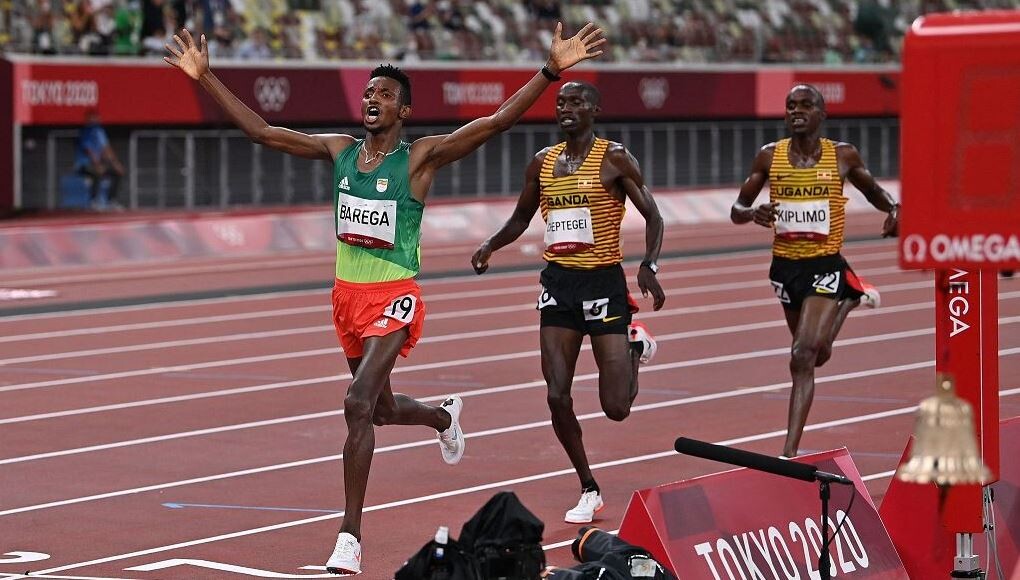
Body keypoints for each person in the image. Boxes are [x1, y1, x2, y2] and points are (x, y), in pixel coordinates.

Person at [165, 24, 605, 575]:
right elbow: (262, 132)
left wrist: (549, 71)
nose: (373, 98)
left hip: (394, 295)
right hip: (346, 298)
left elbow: (495, 122)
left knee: (356, 403)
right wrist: (205, 77)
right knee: (380, 408)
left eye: (386, 94)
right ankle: (442, 417)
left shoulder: (420, 158)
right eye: (369, 91)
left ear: (405, 110)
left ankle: (349, 537)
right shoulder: (340, 152)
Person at [471, 81, 665, 525]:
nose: (566, 108)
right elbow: (522, 217)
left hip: (603, 283)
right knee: (557, 395)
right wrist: (490, 244)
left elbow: (653, 215)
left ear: (595, 110)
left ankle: (634, 347)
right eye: (561, 102)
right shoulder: (542, 162)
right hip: (558, 285)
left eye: (577, 102)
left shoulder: (615, 158)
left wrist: (648, 265)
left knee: (616, 408)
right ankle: (588, 487)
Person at [730, 84, 899, 459]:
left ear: (823, 114)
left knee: (801, 356)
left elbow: (873, 191)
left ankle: (789, 452)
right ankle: (850, 300)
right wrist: (752, 213)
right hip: (785, 268)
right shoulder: (769, 156)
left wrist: (894, 208)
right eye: (791, 105)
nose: (796, 111)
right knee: (816, 356)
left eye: (806, 105)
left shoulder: (842, 155)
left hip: (825, 264)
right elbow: (737, 209)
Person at [74, 109, 125, 209]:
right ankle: (93, 201)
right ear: (86, 119)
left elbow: (106, 149)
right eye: (91, 118)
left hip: (97, 164)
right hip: (84, 165)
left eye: (96, 117)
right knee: (96, 173)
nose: (94, 120)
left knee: (116, 173)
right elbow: (89, 151)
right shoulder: (86, 132)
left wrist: (116, 164)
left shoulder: (100, 131)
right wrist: (97, 165)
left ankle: (111, 201)